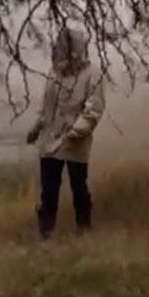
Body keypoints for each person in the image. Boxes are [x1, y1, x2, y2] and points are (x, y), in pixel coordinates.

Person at [26, 28, 106, 238]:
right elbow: (46, 106)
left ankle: (83, 228)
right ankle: (46, 231)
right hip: (49, 139)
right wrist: (36, 128)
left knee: (78, 186)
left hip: (75, 141)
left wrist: (75, 132)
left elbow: (93, 110)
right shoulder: (53, 73)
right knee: (48, 188)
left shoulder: (92, 74)